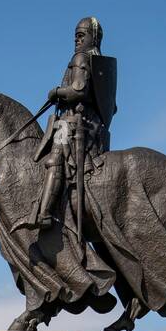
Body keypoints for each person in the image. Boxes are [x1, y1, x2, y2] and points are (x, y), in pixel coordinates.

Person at [27, 16, 116, 230]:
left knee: (54, 158)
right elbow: (112, 106)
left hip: (72, 124)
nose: (76, 40)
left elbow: (77, 90)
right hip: (94, 127)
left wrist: (56, 92)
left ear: (92, 37)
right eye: (75, 36)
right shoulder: (100, 65)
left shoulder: (81, 58)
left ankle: (45, 213)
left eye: (81, 35)